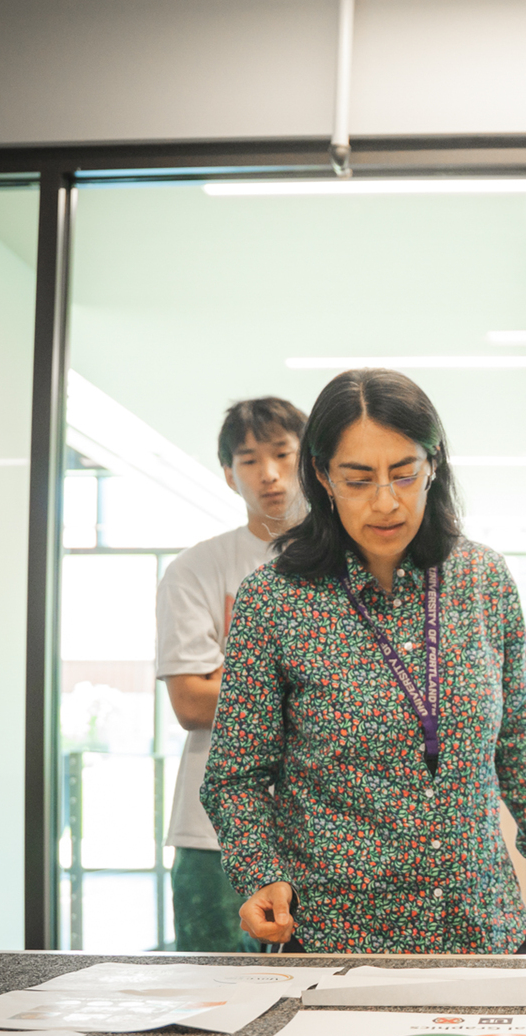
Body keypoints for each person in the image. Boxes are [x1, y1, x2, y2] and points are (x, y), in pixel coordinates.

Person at [202, 368, 526, 954]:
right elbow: (235, 774)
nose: (386, 503)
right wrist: (261, 872)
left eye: (404, 474)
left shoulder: (484, 580)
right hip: (338, 942)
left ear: (433, 465)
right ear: (322, 477)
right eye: (358, 480)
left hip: (483, 930)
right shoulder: (274, 601)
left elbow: (518, 749)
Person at [156, 397, 307, 951]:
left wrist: (243, 678)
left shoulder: (350, 567)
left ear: (309, 460)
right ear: (227, 474)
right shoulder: (196, 569)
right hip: (211, 833)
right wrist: (314, 684)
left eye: (282, 454)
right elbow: (192, 702)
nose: (267, 474)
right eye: (248, 460)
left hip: (319, 831)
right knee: (210, 1006)